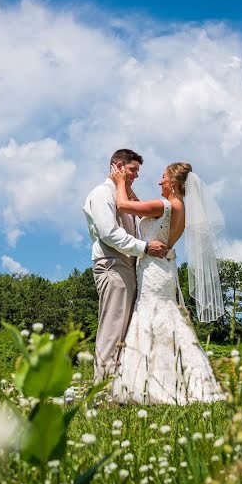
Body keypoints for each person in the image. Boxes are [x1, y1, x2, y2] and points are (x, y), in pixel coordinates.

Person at [109, 161, 226, 404]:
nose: (159, 181)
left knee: (153, 316)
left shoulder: (162, 206)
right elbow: (141, 207)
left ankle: (153, 385)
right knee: (165, 317)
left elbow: (123, 205)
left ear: (173, 183)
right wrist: (129, 186)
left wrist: (120, 182)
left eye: (162, 177)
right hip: (164, 269)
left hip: (154, 269)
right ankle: (178, 380)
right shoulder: (179, 208)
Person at [83, 149, 168, 384]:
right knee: (112, 329)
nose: (137, 175)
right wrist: (145, 248)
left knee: (125, 330)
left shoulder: (123, 196)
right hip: (113, 265)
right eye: (133, 170)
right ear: (118, 166)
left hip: (126, 266)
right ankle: (102, 392)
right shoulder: (101, 194)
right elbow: (109, 233)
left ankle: (121, 387)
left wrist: (127, 187)